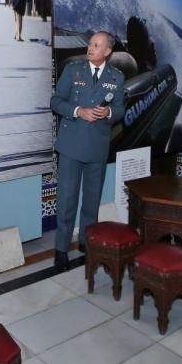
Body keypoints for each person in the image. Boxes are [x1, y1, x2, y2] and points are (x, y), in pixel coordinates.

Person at [50, 32, 126, 271]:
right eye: (90, 43)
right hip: (71, 145)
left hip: (98, 147)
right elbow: (55, 101)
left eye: (96, 45)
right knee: (67, 199)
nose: (90, 48)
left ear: (107, 52)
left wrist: (109, 113)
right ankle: (61, 249)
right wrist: (77, 111)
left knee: (91, 202)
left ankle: (86, 243)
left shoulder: (117, 77)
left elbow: (121, 109)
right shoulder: (73, 70)